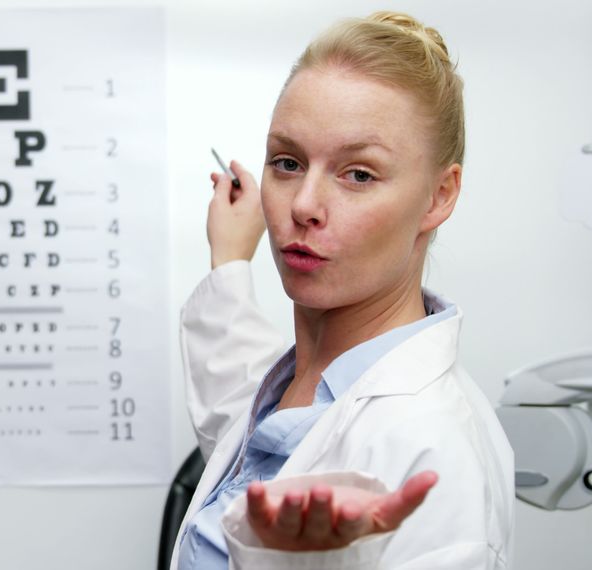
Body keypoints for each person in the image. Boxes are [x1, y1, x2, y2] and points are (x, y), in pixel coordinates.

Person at [171, 11, 514, 570]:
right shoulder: (301, 383)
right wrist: (230, 259)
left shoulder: (435, 454)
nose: (302, 205)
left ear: (439, 196)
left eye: (358, 174)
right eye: (287, 162)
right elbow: (234, 399)